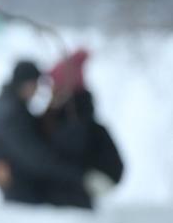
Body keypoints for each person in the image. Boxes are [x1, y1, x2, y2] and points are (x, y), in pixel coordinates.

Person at [0, 60, 90, 208]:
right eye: (35, 83)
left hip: (18, 184)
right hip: (21, 188)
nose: (37, 89)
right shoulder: (11, 113)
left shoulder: (10, 105)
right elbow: (31, 155)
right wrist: (74, 174)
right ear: (25, 83)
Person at [43, 49, 124, 197]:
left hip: (96, 178)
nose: (51, 90)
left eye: (55, 85)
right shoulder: (69, 112)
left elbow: (67, 154)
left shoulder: (76, 117)